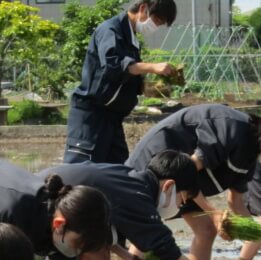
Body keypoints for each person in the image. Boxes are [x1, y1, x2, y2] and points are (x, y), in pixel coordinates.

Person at [39, 150, 237, 260]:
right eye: (182, 198)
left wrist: (127, 257)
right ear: (169, 186)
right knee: (90, 259)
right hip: (40, 207)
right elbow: (174, 257)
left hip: (51, 199)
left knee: (97, 254)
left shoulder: (132, 180)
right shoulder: (138, 199)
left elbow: (101, 233)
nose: (181, 205)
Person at [126, 104, 261, 260]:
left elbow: (236, 203)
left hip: (187, 184)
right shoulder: (231, 129)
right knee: (147, 231)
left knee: (206, 230)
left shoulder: (250, 152)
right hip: (160, 165)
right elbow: (185, 170)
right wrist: (214, 213)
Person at [64, 0, 177, 164]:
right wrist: (152, 67)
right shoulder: (110, 29)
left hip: (113, 117)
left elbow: (127, 76)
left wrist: (152, 87)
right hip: (91, 115)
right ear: (143, 8)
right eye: (157, 21)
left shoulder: (131, 39)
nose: (156, 27)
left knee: (118, 173)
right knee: (80, 171)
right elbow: (114, 66)